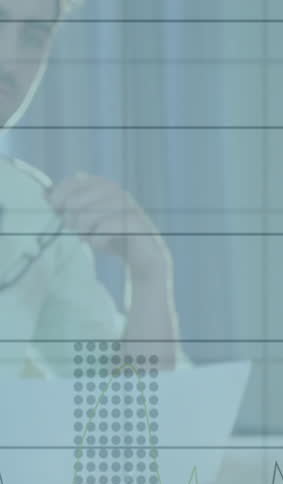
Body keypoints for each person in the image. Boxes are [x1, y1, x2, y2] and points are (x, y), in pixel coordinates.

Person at [0, 0, 182, 378]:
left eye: (33, 37)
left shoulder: (33, 216)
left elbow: (131, 407)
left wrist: (148, 271)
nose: (8, 60)